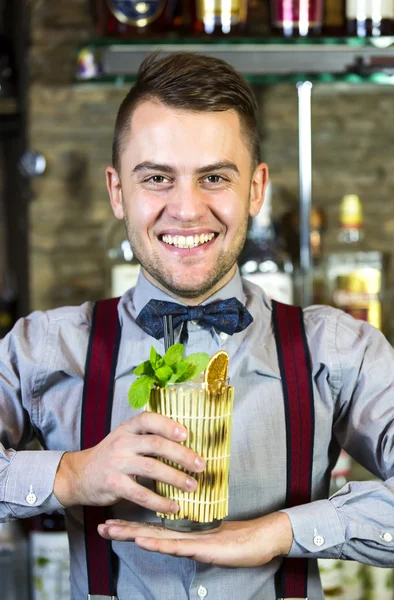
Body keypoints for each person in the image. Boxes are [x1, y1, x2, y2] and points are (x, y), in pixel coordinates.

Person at [1, 51, 394, 600]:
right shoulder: (44, 348)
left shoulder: (338, 349)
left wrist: (281, 532)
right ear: (118, 192)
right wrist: (69, 476)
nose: (187, 209)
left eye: (214, 177)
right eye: (158, 178)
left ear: (256, 189)